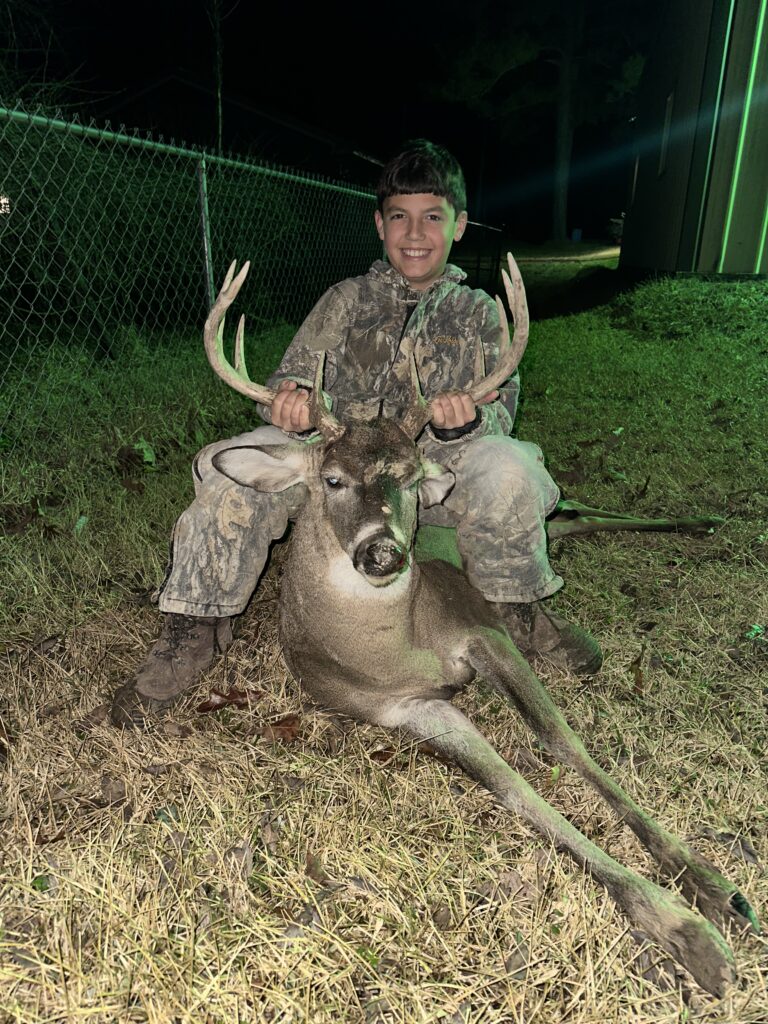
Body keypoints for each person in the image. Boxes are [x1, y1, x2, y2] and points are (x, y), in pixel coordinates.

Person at [111, 139, 602, 728]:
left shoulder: (477, 313)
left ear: (460, 226)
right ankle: (196, 625)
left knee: (510, 466)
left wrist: (463, 421)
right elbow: (290, 378)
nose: (414, 233)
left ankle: (514, 606)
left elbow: (499, 418)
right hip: (339, 484)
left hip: (427, 480)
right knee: (229, 461)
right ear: (379, 224)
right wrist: (290, 405)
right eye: (400, 217)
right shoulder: (345, 301)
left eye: (432, 217)